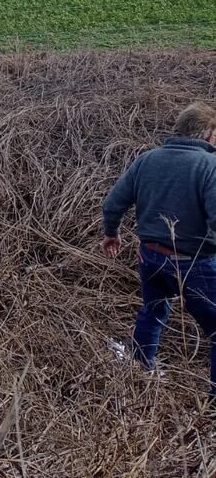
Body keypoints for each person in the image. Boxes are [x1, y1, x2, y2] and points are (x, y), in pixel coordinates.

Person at [102, 102, 216, 405]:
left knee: (152, 312)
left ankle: (140, 370)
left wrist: (111, 233)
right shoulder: (210, 167)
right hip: (196, 264)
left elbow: (113, 203)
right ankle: (213, 405)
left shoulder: (146, 160)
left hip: (150, 257)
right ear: (208, 134)